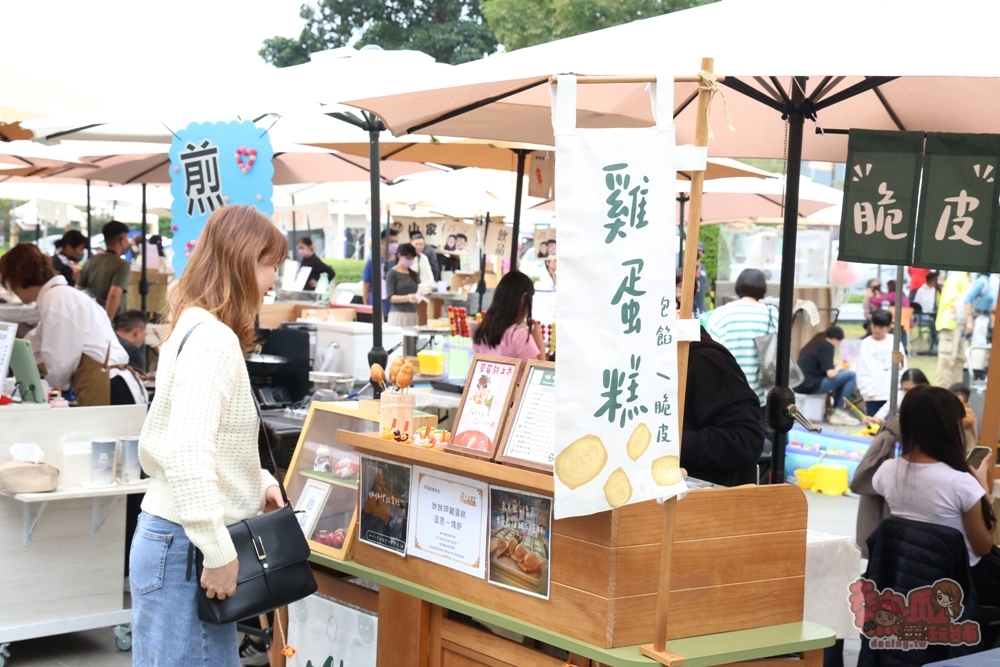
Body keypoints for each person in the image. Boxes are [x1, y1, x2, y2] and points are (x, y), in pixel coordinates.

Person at [131, 205, 287, 667]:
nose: (274, 281)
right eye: (270, 265)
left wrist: (256, 481)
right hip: (187, 548)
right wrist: (218, 551)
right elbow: (187, 449)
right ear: (243, 262)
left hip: (172, 541)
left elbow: (204, 439)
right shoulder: (214, 339)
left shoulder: (192, 325)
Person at [872, 386, 999, 612]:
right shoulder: (962, 484)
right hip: (965, 582)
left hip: (908, 577)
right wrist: (982, 489)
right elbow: (983, 547)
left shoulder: (886, 472)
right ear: (947, 428)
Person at [0, 244, 146, 406]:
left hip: (109, 385)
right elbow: (34, 343)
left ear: (18, 277)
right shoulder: (59, 296)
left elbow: (59, 362)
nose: (12, 289)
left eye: (9, 282)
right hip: (112, 382)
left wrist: (52, 379)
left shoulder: (56, 300)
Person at [851, 368, 931, 556]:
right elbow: (885, 409)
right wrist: (876, 419)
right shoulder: (889, 465)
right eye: (905, 390)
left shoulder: (933, 409)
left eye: (913, 390)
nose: (908, 394)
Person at [681, 327, 765, 486]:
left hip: (705, 500)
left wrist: (666, 444)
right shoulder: (634, 359)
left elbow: (746, 440)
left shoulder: (701, 359)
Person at [705, 269, 775, 408]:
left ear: (738, 286)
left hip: (727, 391)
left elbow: (711, 351)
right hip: (759, 392)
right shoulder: (771, 313)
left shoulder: (720, 313)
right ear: (763, 288)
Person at [473, 271, 545, 361]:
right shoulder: (520, 336)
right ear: (524, 298)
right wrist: (538, 339)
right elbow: (539, 372)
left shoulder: (482, 332)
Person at [794, 326, 859, 426]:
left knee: (843, 374)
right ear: (836, 339)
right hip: (811, 385)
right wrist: (838, 366)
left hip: (802, 384)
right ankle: (839, 412)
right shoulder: (827, 345)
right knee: (851, 375)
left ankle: (835, 412)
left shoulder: (816, 343)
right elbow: (831, 374)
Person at [77, 220, 132, 320]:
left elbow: (78, 289)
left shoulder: (91, 260)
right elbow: (114, 295)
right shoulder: (122, 265)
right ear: (122, 240)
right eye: (127, 239)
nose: (128, 242)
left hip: (88, 315)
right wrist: (107, 323)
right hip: (110, 319)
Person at [857, 310, 906, 418]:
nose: (877, 330)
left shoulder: (894, 342)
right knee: (873, 428)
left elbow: (901, 366)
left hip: (891, 393)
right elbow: (863, 368)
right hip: (873, 394)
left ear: (888, 327)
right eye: (874, 326)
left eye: (881, 327)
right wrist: (867, 390)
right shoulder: (866, 344)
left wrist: (899, 386)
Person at [936, 271, 971, 388]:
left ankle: (956, 394)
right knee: (947, 362)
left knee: (959, 361)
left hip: (960, 326)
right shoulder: (956, 277)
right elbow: (949, 302)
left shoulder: (965, 277)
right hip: (951, 324)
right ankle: (942, 394)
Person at [386, 243, 421, 327]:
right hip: (398, 314)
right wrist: (408, 298)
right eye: (408, 258)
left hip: (412, 313)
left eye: (412, 258)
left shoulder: (413, 274)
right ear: (399, 255)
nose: (410, 260)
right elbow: (391, 297)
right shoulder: (392, 274)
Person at [362, 230, 395, 316]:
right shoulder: (373, 262)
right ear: (382, 242)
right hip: (377, 303)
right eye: (391, 242)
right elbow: (366, 286)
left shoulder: (398, 262)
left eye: (396, 242)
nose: (394, 245)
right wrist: (365, 306)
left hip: (394, 306)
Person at [949, 383, 979, 453]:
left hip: (967, 449)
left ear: (960, 399)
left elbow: (968, 421)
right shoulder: (961, 410)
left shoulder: (965, 411)